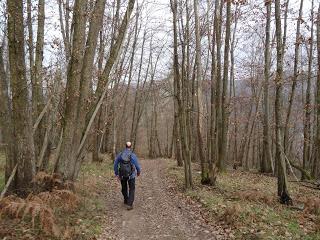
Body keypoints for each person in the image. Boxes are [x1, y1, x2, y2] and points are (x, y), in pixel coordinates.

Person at [114, 141, 141, 210]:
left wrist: (117, 174)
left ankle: (126, 200)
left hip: (122, 175)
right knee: (132, 188)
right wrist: (138, 172)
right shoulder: (132, 155)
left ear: (125, 146)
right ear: (130, 146)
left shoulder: (120, 154)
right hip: (131, 175)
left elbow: (115, 164)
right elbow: (137, 165)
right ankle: (129, 204)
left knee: (124, 187)